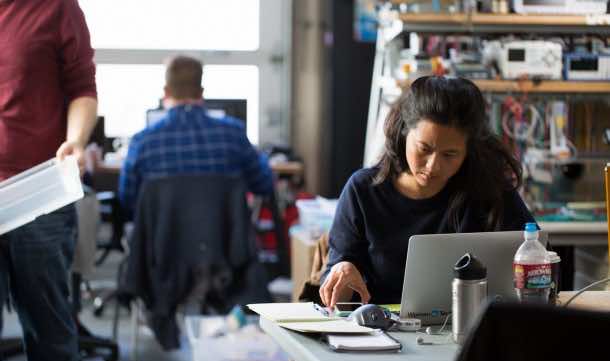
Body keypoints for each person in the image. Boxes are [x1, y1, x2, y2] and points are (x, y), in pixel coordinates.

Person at [319, 76, 535, 308]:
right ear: (404, 133)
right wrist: (343, 272)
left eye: (449, 154)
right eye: (424, 148)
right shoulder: (363, 191)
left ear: (468, 151)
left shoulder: (489, 190)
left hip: (470, 323)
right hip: (380, 326)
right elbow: (335, 296)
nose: (433, 166)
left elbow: (539, 258)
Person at [0, 0, 98, 361]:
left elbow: (82, 88)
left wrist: (75, 140)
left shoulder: (56, 8)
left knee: (49, 332)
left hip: (38, 192)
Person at [118, 55, 274, 215]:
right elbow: (264, 185)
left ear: (166, 91)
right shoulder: (234, 134)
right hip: (221, 231)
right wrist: (260, 156)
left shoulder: (142, 141)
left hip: (162, 232)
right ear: (201, 92)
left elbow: (128, 199)